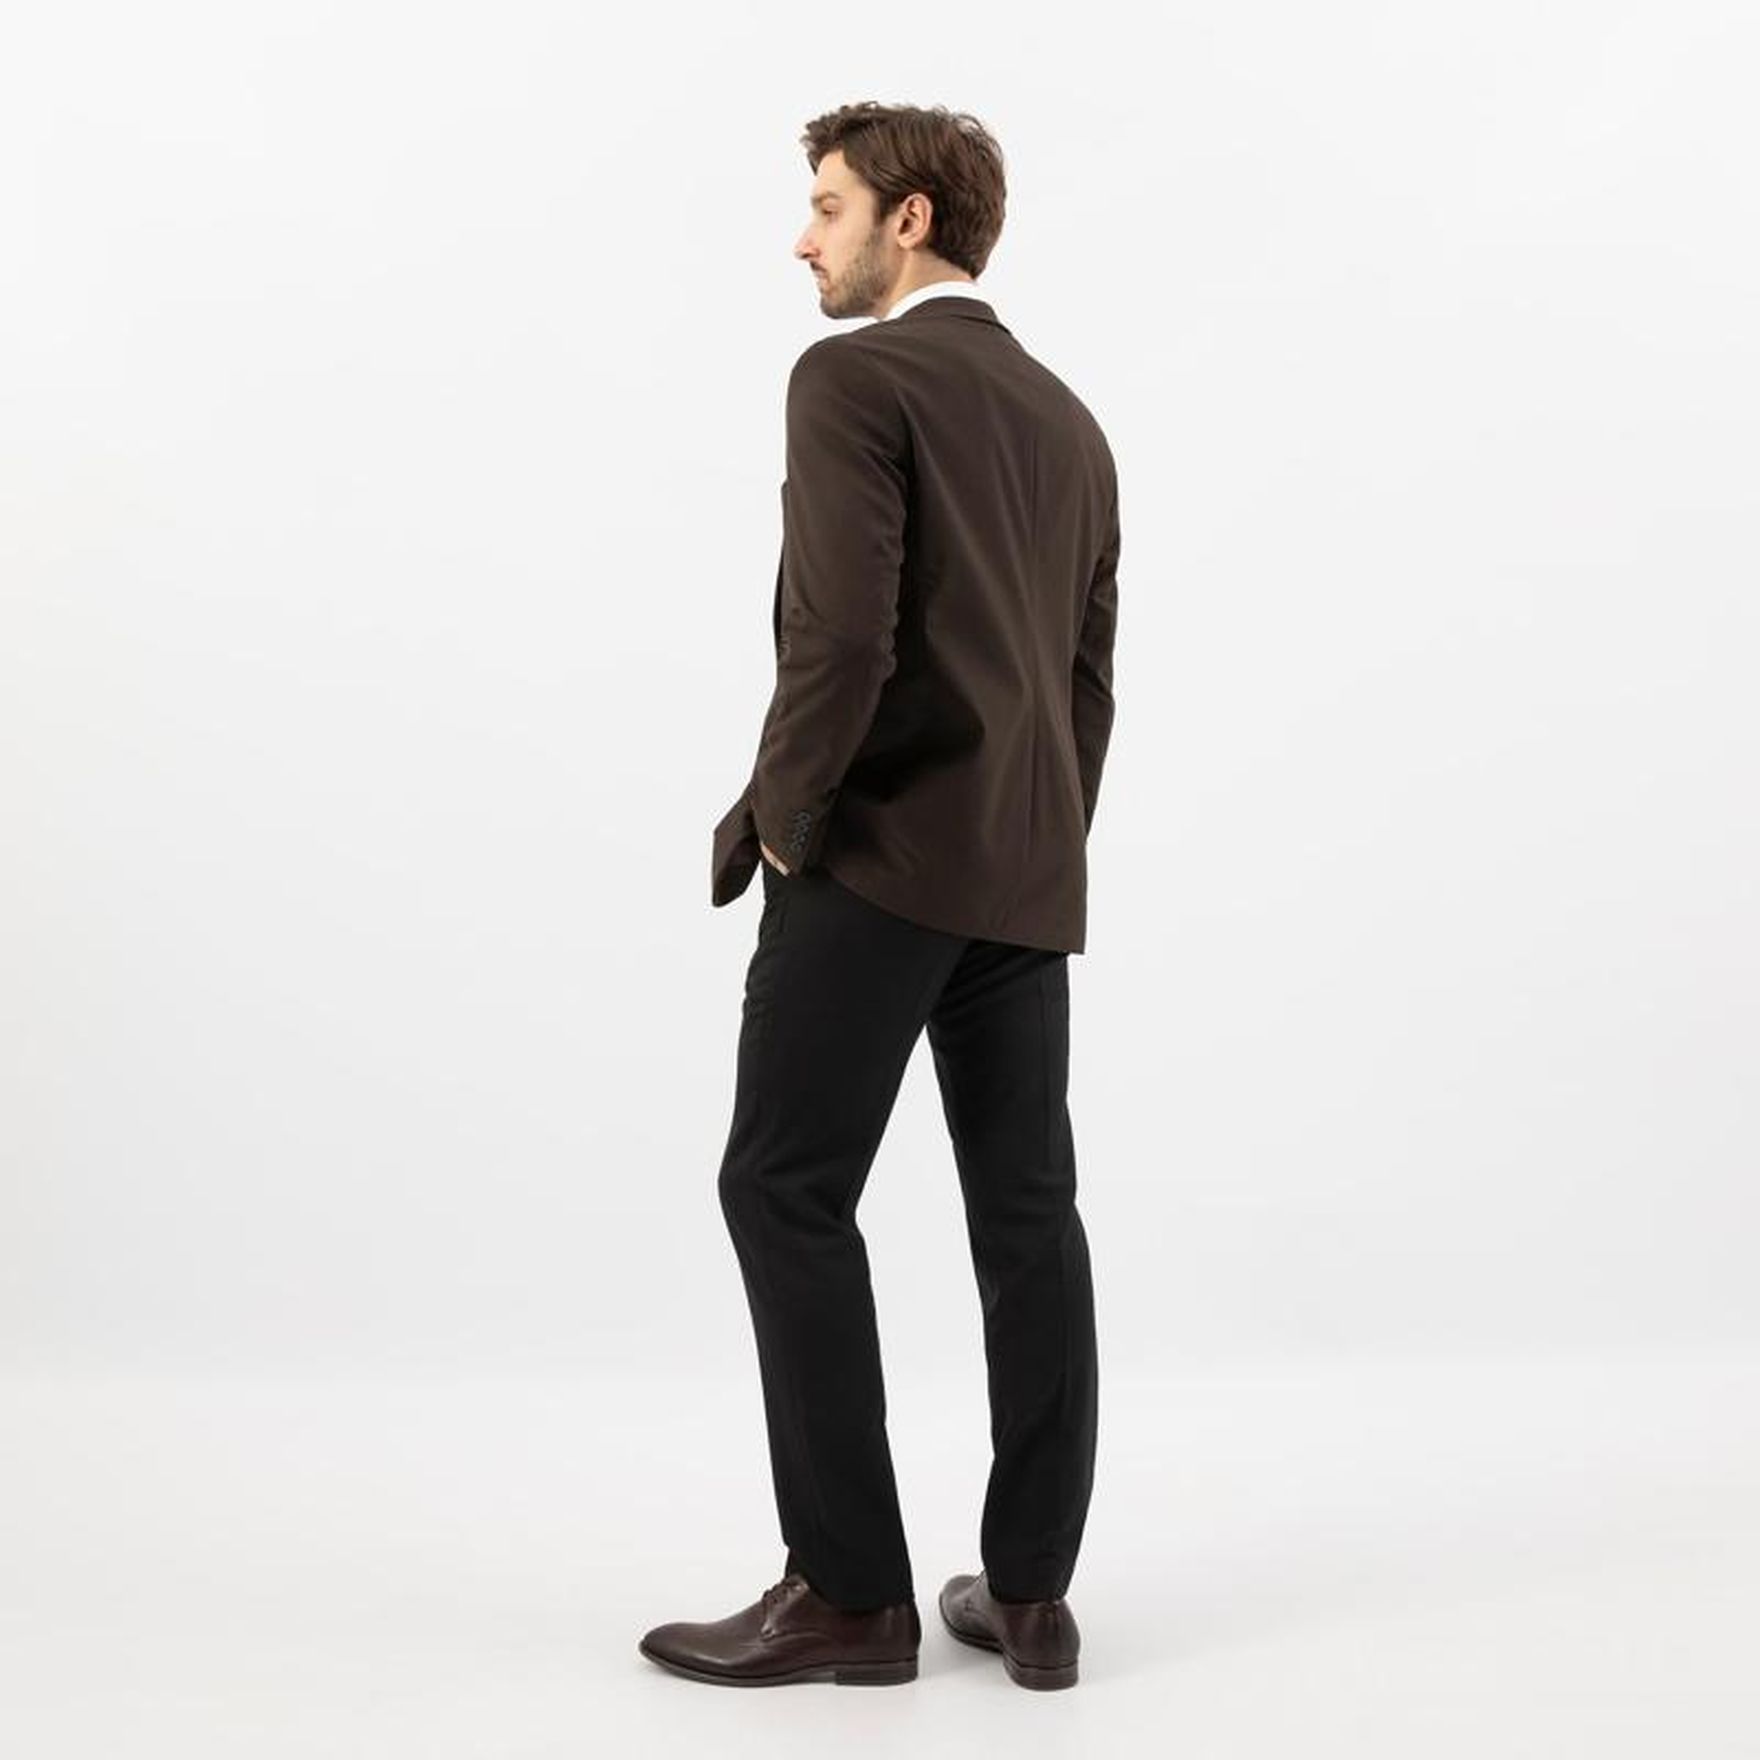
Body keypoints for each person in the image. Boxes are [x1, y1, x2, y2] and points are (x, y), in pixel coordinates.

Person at [639, 100, 1120, 1693]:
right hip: (1022, 874)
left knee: (782, 1188)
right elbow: (1085, 683)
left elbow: (843, 635)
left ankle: (849, 1593)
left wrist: (786, 823)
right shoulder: (1071, 424)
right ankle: (1033, 1597)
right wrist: (1037, 845)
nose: (804, 240)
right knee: (1028, 1217)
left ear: (910, 220)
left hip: (880, 856)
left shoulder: (850, 378)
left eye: (828, 207)